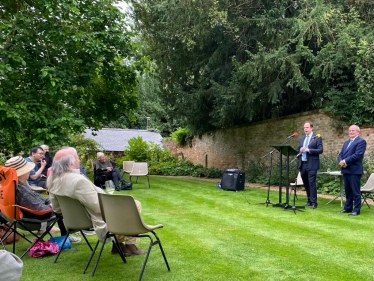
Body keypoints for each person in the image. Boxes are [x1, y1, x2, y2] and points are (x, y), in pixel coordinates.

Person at [47, 147, 146, 256]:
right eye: (77, 157)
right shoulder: (78, 180)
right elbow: (98, 207)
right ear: (71, 162)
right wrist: (112, 202)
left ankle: (119, 245)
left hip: (73, 221)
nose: (79, 160)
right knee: (133, 204)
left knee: (127, 207)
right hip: (94, 220)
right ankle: (130, 244)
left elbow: (57, 209)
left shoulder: (53, 181)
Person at [4, 156, 81, 243]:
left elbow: (36, 199)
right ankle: (71, 232)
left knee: (59, 199)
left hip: (22, 219)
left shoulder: (13, 186)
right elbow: (40, 208)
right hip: (36, 218)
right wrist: (52, 205)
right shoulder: (20, 189)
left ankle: (67, 233)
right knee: (62, 205)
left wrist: (52, 199)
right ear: (23, 172)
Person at [338, 125, 367, 216]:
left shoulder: (361, 141)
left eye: (353, 130)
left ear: (358, 132)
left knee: (355, 192)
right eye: (350, 130)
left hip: (354, 170)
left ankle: (356, 210)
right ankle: (347, 208)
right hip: (345, 170)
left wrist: (345, 161)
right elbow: (340, 154)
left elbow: (358, 155)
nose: (350, 132)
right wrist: (340, 161)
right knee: (348, 192)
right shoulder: (346, 142)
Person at [296, 121, 323, 209]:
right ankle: (308, 200)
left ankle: (314, 202)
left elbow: (320, 150)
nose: (305, 129)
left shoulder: (316, 138)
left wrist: (309, 150)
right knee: (306, 183)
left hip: (312, 164)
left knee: (312, 183)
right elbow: (297, 150)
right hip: (302, 163)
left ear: (311, 128)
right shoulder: (302, 139)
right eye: (304, 128)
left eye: (307, 127)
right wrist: (300, 149)